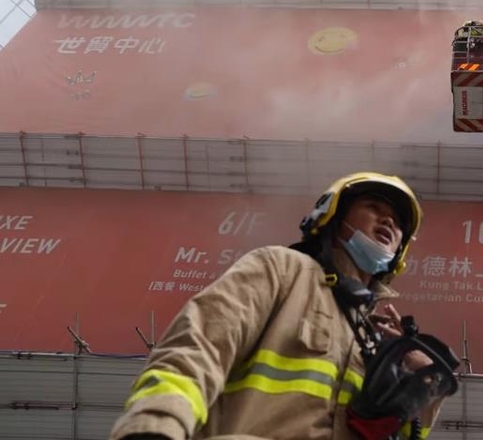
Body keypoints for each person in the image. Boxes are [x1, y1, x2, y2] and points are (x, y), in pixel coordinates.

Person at [109, 172, 458, 440]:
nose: (388, 223)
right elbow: (199, 347)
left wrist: (419, 388)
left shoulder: (373, 342)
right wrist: (155, 426)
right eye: (374, 208)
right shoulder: (281, 269)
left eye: (397, 223)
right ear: (333, 217)